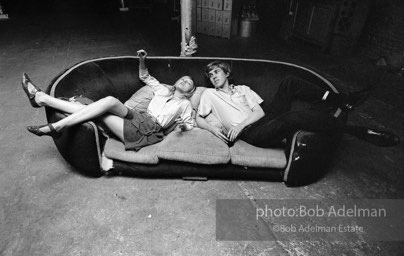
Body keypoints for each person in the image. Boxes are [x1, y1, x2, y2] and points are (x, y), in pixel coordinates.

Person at [196, 60, 400, 149]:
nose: (213, 76)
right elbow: (198, 117)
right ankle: (356, 130)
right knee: (293, 118)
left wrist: (242, 122)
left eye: (216, 72)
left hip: (263, 117)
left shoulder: (243, 89)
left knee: (290, 82)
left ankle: (340, 100)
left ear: (227, 73)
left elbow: (259, 111)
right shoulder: (209, 94)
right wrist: (215, 130)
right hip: (252, 133)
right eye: (210, 74)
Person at [23, 50, 196, 151]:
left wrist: (183, 127)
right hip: (139, 115)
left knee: (100, 113)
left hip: (149, 130)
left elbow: (191, 124)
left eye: (189, 82)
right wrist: (142, 60)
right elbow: (145, 76)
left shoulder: (185, 104)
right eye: (183, 78)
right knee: (110, 101)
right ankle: (43, 101)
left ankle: (48, 109)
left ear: (191, 92)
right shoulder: (163, 90)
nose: (184, 80)